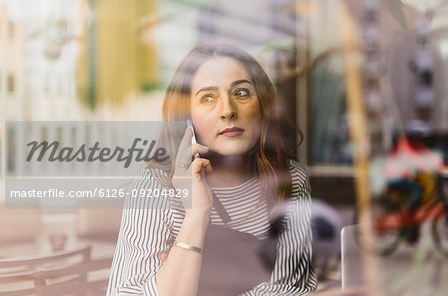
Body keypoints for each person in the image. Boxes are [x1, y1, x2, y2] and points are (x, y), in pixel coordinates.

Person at [107, 44, 318, 296]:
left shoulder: (291, 179)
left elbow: (293, 288)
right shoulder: (155, 188)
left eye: (241, 92)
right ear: (188, 117)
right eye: (208, 98)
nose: (228, 110)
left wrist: (192, 278)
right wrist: (196, 215)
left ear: (263, 107)